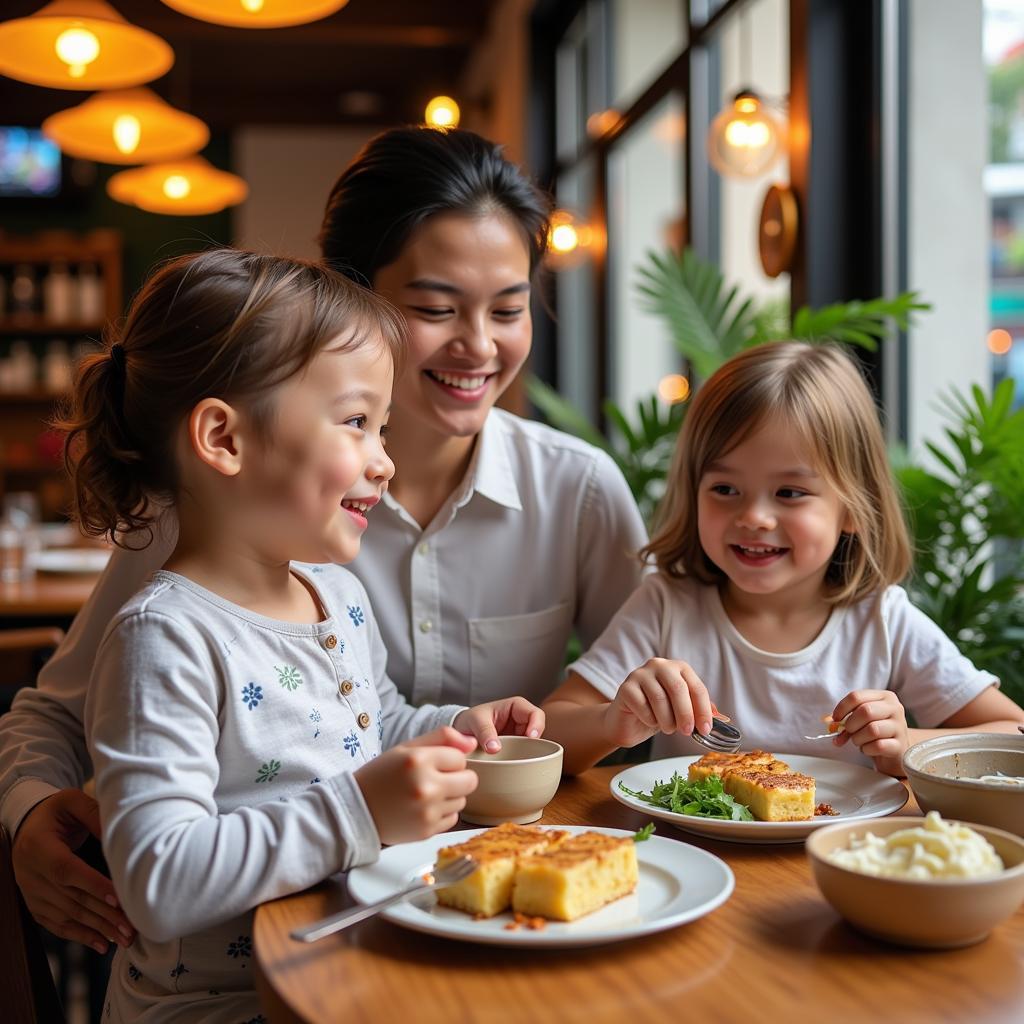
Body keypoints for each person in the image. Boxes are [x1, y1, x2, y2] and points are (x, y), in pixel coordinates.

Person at [0, 127, 647, 954]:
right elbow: (59, 715)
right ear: (355, 298)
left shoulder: (574, 490)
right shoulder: (203, 518)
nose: (479, 346)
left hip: (432, 918)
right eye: (436, 308)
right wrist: (25, 813)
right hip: (263, 962)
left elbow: (381, 721)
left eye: (509, 309)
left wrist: (467, 729)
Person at [58, 247, 545, 1022]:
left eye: (381, 428)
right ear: (223, 439)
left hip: (345, 966)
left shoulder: (339, 598)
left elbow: (369, 724)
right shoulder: (166, 638)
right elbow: (159, 880)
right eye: (357, 422)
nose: (384, 462)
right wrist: (357, 813)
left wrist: (455, 731)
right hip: (225, 1005)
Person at [541, 342, 1024, 776]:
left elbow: (1011, 734)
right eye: (725, 489)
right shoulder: (666, 607)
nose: (753, 517)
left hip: (837, 866)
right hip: (688, 863)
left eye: (790, 492)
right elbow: (549, 734)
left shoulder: (882, 619)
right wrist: (611, 721)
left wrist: (908, 745)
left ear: (853, 509)